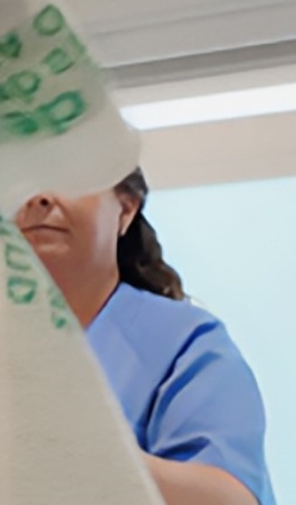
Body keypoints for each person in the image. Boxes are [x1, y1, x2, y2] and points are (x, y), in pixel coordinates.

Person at [16, 168, 275, 505]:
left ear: (125, 210)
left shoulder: (183, 341)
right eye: (19, 180)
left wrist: (80, 454)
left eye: (70, 176)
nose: (41, 198)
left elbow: (229, 499)